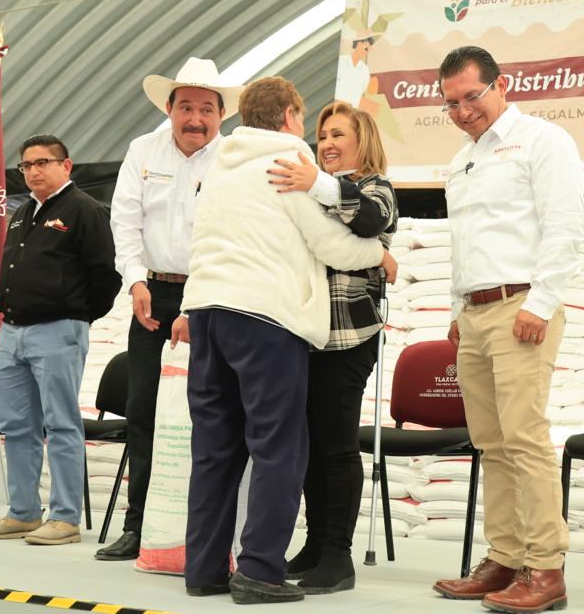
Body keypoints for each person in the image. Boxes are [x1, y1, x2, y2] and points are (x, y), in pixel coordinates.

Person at [172, 77, 391, 604]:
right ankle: (260, 571)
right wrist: (380, 256)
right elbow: (330, 245)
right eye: (307, 120)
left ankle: (204, 570)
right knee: (278, 447)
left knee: (215, 449)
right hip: (264, 318)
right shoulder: (288, 161)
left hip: (207, 311)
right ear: (291, 115)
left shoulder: (219, 165)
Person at [431, 46, 584, 613]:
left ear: (502, 85)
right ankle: (504, 557)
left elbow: (564, 226)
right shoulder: (462, 161)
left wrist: (540, 304)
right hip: (474, 314)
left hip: (521, 305)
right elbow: (466, 241)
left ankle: (545, 567)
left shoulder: (543, 140)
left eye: (471, 96)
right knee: (491, 444)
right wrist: (457, 309)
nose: (463, 111)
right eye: (451, 103)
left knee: (524, 438)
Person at [99, 57, 243, 561]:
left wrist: (197, 300)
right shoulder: (143, 150)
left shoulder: (232, 159)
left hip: (212, 297)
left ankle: (202, 531)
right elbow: (124, 222)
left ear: (221, 115)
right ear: (169, 108)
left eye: (206, 109)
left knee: (208, 414)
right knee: (143, 410)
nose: (195, 119)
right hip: (152, 297)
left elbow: (230, 234)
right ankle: (140, 527)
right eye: (186, 107)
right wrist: (135, 281)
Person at [266, 102, 398, 594]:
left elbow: (369, 222)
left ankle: (338, 556)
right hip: (306, 335)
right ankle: (316, 543)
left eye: (338, 134)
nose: (326, 144)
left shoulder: (376, 187)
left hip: (349, 337)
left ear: (363, 140)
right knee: (310, 446)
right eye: (322, 135)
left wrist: (317, 184)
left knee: (337, 445)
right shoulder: (312, 189)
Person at [0, 135, 121, 546]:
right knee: (16, 425)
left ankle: (65, 517)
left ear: (66, 166)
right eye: (27, 165)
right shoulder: (23, 213)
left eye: (43, 162)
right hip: (13, 331)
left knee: (60, 422)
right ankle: (23, 512)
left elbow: (106, 276)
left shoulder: (86, 210)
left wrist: (76, 315)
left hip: (58, 329)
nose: (34, 171)